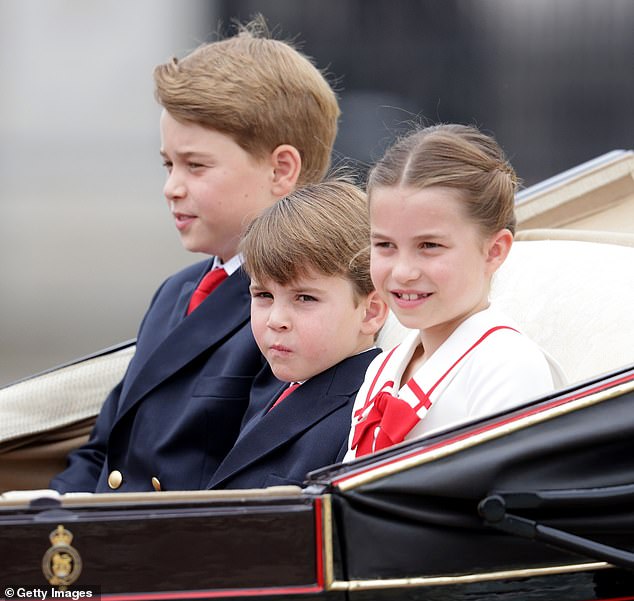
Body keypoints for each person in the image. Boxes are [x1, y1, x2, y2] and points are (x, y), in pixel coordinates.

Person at [50, 18, 340, 493]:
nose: (171, 188)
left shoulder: (303, 309)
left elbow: (251, 480)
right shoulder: (177, 291)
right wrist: (40, 518)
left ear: (281, 168)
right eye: (168, 164)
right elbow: (104, 449)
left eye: (196, 165)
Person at [345, 124, 567, 460]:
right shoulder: (383, 367)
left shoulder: (508, 366)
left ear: (494, 251)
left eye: (430, 246)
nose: (403, 271)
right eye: (385, 245)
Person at [207, 181, 388, 489]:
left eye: (305, 298)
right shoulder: (276, 382)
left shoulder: (364, 417)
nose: (276, 320)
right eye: (263, 294)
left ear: (370, 312)